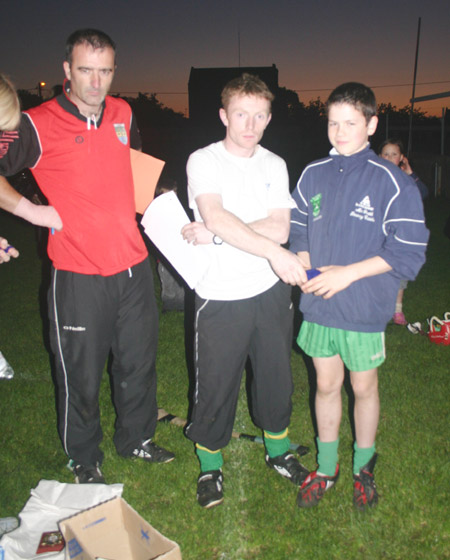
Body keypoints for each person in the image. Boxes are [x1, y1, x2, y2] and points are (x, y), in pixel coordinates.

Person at [0, 30, 174, 484]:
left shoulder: (125, 112)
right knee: (79, 373)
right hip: (77, 274)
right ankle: (83, 457)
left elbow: (132, 169)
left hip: (135, 267)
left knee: (138, 361)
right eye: (85, 70)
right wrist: (30, 209)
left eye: (104, 71)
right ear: (66, 72)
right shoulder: (35, 123)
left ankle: (136, 437)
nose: (96, 82)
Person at [290, 82, 428, 510]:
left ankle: (363, 467)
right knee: (326, 384)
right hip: (319, 305)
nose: (340, 130)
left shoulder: (390, 179)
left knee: (363, 386)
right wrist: (307, 265)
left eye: (350, 122)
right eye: (333, 122)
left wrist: (348, 274)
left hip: (363, 307)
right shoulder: (312, 173)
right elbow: (298, 228)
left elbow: (408, 251)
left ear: (370, 124)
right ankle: (327, 467)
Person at [181, 73, 309, 508]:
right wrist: (272, 252)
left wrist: (219, 234)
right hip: (220, 293)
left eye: (258, 116)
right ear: (224, 115)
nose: (249, 125)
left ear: (269, 118)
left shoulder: (274, 164)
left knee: (276, 377)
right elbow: (214, 214)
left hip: (269, 292)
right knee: (215, 385)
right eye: (240, 114)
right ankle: (210, 465)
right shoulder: (203, 161)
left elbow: (280, 225)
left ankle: (278, 452)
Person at [379, 138, 428, 325]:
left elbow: (423, 193)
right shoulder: (375, 175)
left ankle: (397, 309)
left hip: (399, 233)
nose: (390, 157)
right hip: (379, 232)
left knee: (399, 270)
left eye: (394, 154)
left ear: (401, 158)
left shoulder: (405, 178)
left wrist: (410, 173)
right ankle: (379, 307)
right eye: (386, 153)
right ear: (379, 156)